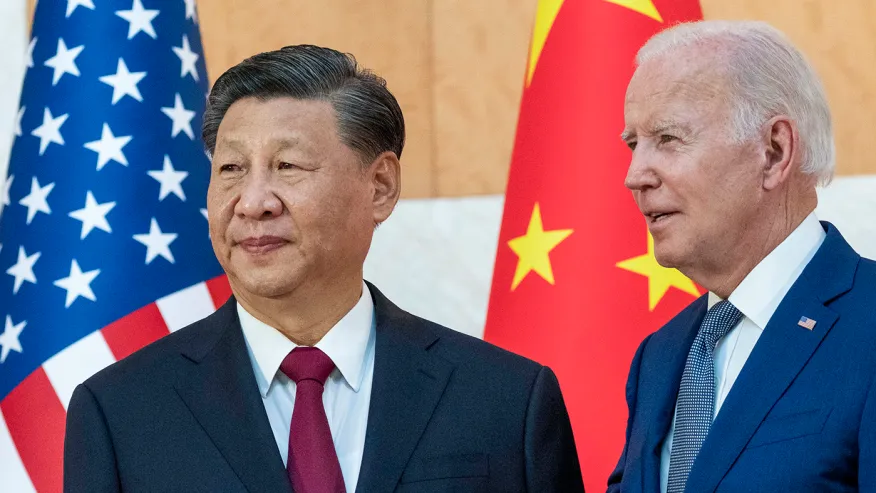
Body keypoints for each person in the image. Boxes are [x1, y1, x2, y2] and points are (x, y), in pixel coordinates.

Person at [63, 45, 584, 492]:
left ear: (380, 187)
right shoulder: (119, 412)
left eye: (287, 166)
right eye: (231, 168)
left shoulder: (506, 398)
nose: (253, 202)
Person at [608, 20, 876, 493]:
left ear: (773, 151)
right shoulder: (659, 355)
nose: (635, 176)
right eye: (634, 144)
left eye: (668, 139)